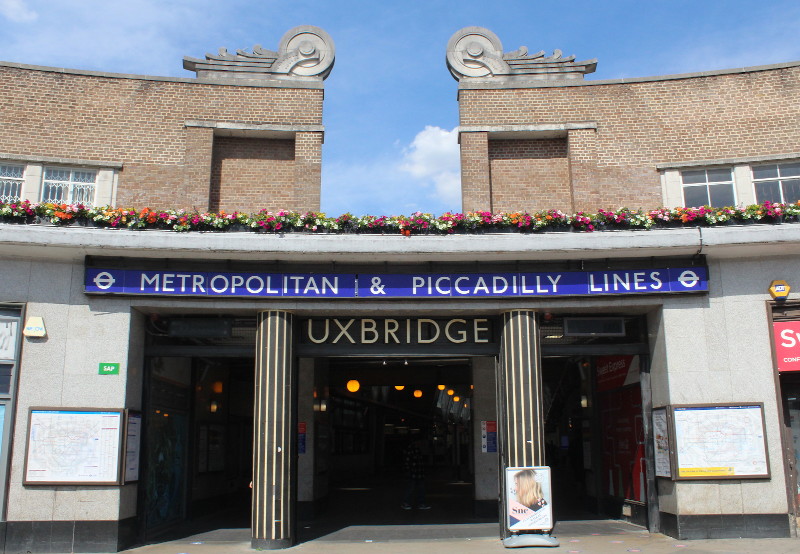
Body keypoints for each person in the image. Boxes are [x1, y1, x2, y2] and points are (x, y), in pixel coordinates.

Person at [401, 436, 430, 510]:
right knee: (413, 488)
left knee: (417, 488)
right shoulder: (412, 449)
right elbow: (408, 461)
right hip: (415, 472)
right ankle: (412, 503)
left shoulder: (415, 449)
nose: (420, 443)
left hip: (416, 472)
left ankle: (413, 503)